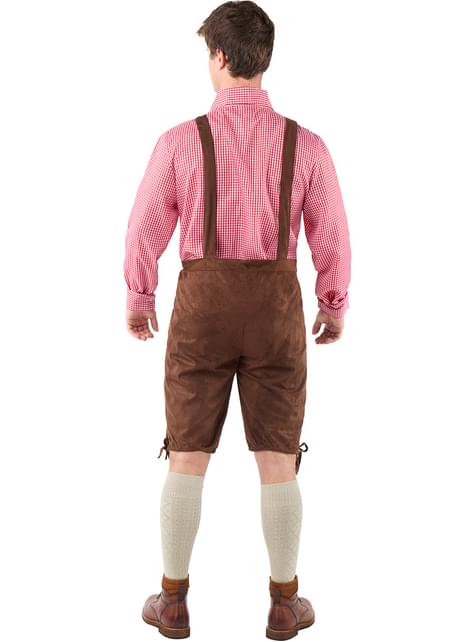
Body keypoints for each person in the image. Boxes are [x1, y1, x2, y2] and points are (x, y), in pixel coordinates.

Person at [123, 2, 351, 638]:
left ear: (220, 57)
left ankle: (173, 601)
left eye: (208, 53)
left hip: (203, 308)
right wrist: (333, 302)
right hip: (276, 308)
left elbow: (144, 226)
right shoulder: (307, 145)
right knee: (278, 458)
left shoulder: (179, 141)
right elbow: (332, 233)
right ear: (263, 58)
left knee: (187, 454)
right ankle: (283, 602)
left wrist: (140, 295)